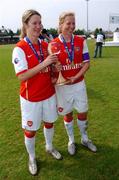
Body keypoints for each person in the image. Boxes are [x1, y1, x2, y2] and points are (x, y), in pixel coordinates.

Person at [12, 9, 62, 176]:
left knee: (50, 123)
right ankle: (32, 157)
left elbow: (52, 67)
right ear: (26, 25)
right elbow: (22, 76)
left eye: (40, 23)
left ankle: (49, 147)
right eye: (34, 23)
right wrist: (45, 63)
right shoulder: (19, 48)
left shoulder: (45, 45)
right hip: (30, 98)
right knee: (31, 130)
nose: (38, 26)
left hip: (48, 93)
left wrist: (56, 67)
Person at [49, 12, 97, 156]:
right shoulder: (53, 44)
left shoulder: (81, 41)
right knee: (68, 113)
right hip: (62, 87)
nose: (71, 26)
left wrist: (75, 77)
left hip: (78, 84)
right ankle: (71, 140)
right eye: (68, 23)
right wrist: (53, 68)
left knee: (82, 111)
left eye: (73, 23)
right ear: (61, 24)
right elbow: (50, 67)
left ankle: (84, 138)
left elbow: (87, 63)